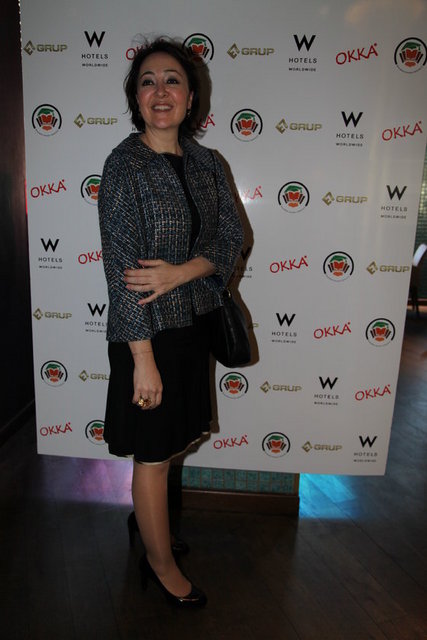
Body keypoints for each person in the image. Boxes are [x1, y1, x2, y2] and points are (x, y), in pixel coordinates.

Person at [98, 38, 243, 608]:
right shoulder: (123, 165)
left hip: (193, 327)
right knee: (154, 455)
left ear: (191, 97)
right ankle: (159, 566)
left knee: (172, 442)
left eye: (172, 80)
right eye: (148, 81)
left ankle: (149, 524)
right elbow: (122, 274)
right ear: (136, 98)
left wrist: (182, 271)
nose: (161, 91)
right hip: (146, 335)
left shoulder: (208, 162)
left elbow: (230, 239)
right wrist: (142, 361)